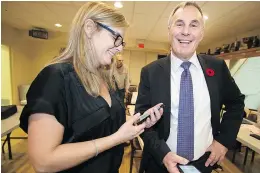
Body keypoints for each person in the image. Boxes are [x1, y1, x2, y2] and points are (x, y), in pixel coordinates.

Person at [19, 2, 163, 173]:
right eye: (116, 37)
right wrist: (116, 139)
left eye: (121, 42)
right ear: (89, 28)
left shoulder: (104, 79)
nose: (119, 48)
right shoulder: (55, 78)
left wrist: (138, 123)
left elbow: (106, 125)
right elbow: (43, 161)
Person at [135, 2, 245, 173]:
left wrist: (223, 141)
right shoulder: (150, 72)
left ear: (201, 33)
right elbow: (142, 121)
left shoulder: (217, 68)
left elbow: (236, 104)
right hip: (160, 164)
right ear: (169, 29)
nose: (186, 31)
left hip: (204, 164)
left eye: (194, 25)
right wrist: (163, 154)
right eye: (179, 24)